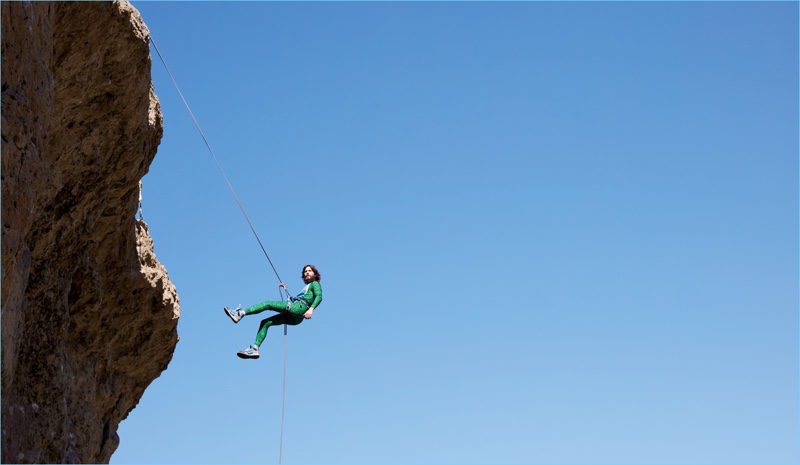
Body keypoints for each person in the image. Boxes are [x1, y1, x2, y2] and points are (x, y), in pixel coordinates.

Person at [224, 264, 322, 359]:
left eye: (309, 271)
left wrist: (311, 310)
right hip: (297, 316)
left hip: (300, 308)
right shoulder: (307, 287)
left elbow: (319, 297)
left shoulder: (315, 284)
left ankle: (239, 314)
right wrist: (286, 290)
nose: (307, 273)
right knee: (265, 322)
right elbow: (299, 300)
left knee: (267, 304)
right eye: (305, 271)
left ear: (315, 274)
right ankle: (255, 349)